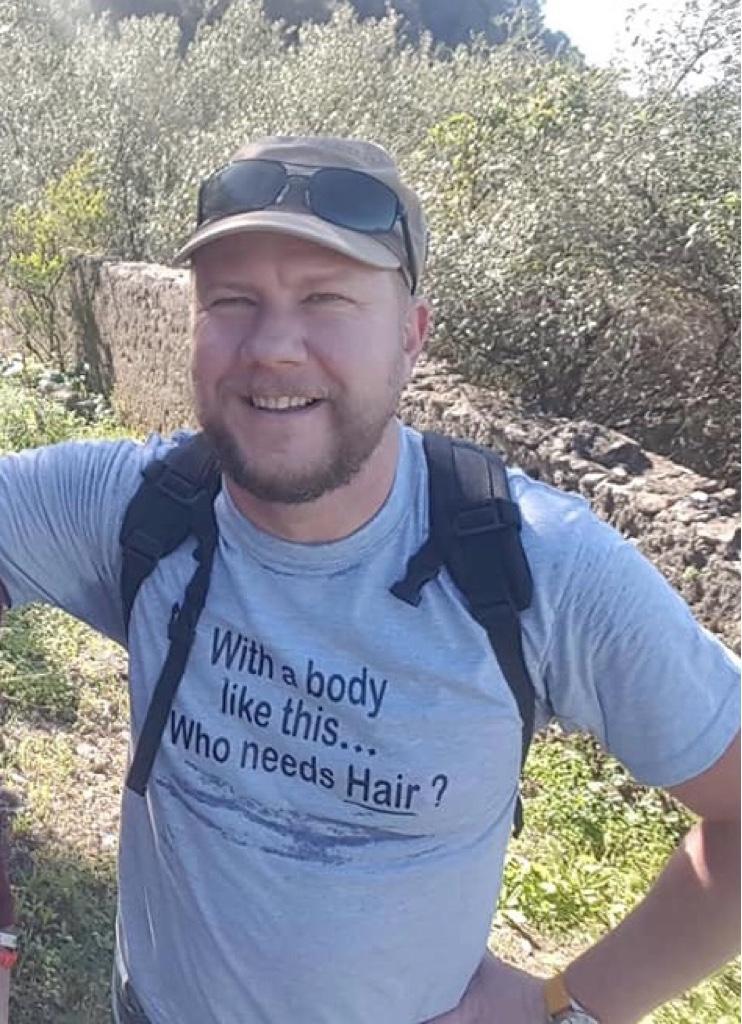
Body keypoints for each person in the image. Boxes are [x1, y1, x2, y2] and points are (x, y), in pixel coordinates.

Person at [0, 135, 738, 1024]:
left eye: (327, 298)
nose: (273, 348)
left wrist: (569, 1007)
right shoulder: (135, 511)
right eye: (232, 300)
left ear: (411, 337)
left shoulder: (543, 569)